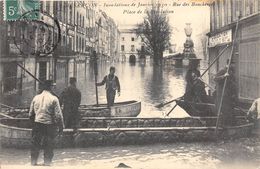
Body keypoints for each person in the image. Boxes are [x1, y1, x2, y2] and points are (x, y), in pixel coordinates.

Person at [29, 80, 64, 166]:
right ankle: (47, 164)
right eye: (53, 86)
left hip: (37, 124)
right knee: (48, 145)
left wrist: (34, 124)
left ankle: (33, 163)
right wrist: (61, 127)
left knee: (35, 145)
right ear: (50, 87)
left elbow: (30, 114)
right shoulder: (54, 99)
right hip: (49, 125)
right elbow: (58, 116)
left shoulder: (36, 98)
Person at [214, 59, 237, 126]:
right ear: (229, 64)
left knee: (230, 111)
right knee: (223, 110)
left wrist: (233, 94)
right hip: (222, 95)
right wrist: (224, 76)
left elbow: (232, 83)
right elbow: (215, 78)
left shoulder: (231, 71)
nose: (234, 65)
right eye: (233, 64)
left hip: (229, 95)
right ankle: (224, 126)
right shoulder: (223, 70)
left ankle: (231, 125)